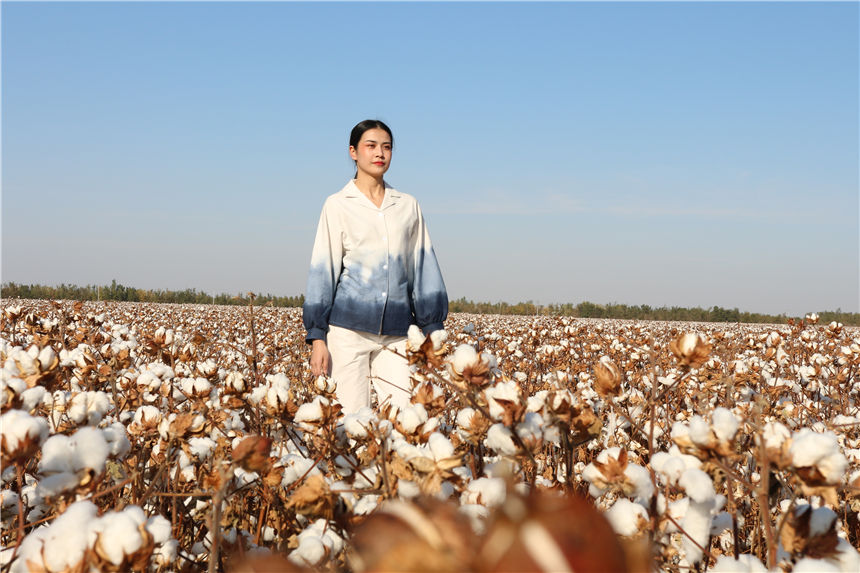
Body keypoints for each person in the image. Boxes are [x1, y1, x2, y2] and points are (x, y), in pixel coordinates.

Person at [302, 119, 448, 414]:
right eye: (371, 146)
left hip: (397, 334)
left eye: (387, 147)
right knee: (351, 420)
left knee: (407, 419)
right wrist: (318, 337)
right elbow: (323, 271)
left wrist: (432, 329)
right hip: (347, 332)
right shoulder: (337, 204)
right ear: (353, 152)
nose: (380, 153)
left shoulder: (407, 205)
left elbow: (423, 269)